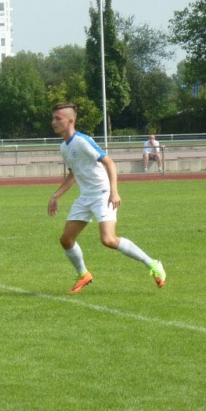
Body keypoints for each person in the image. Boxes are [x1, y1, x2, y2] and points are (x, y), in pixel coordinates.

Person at [47, 103, 166, 293]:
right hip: (86, 197)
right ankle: (83, 274)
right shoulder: (64, 147)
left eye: (57, 118)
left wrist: (114, 191)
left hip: (103, 194)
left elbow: (109, 162)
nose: (53, 122)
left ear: (70, 120)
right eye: (53, 118)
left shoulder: (82, 141)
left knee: (108, 239)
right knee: (66, 240)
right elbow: (74, 174)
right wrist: (56, 195)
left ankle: (152, 263)